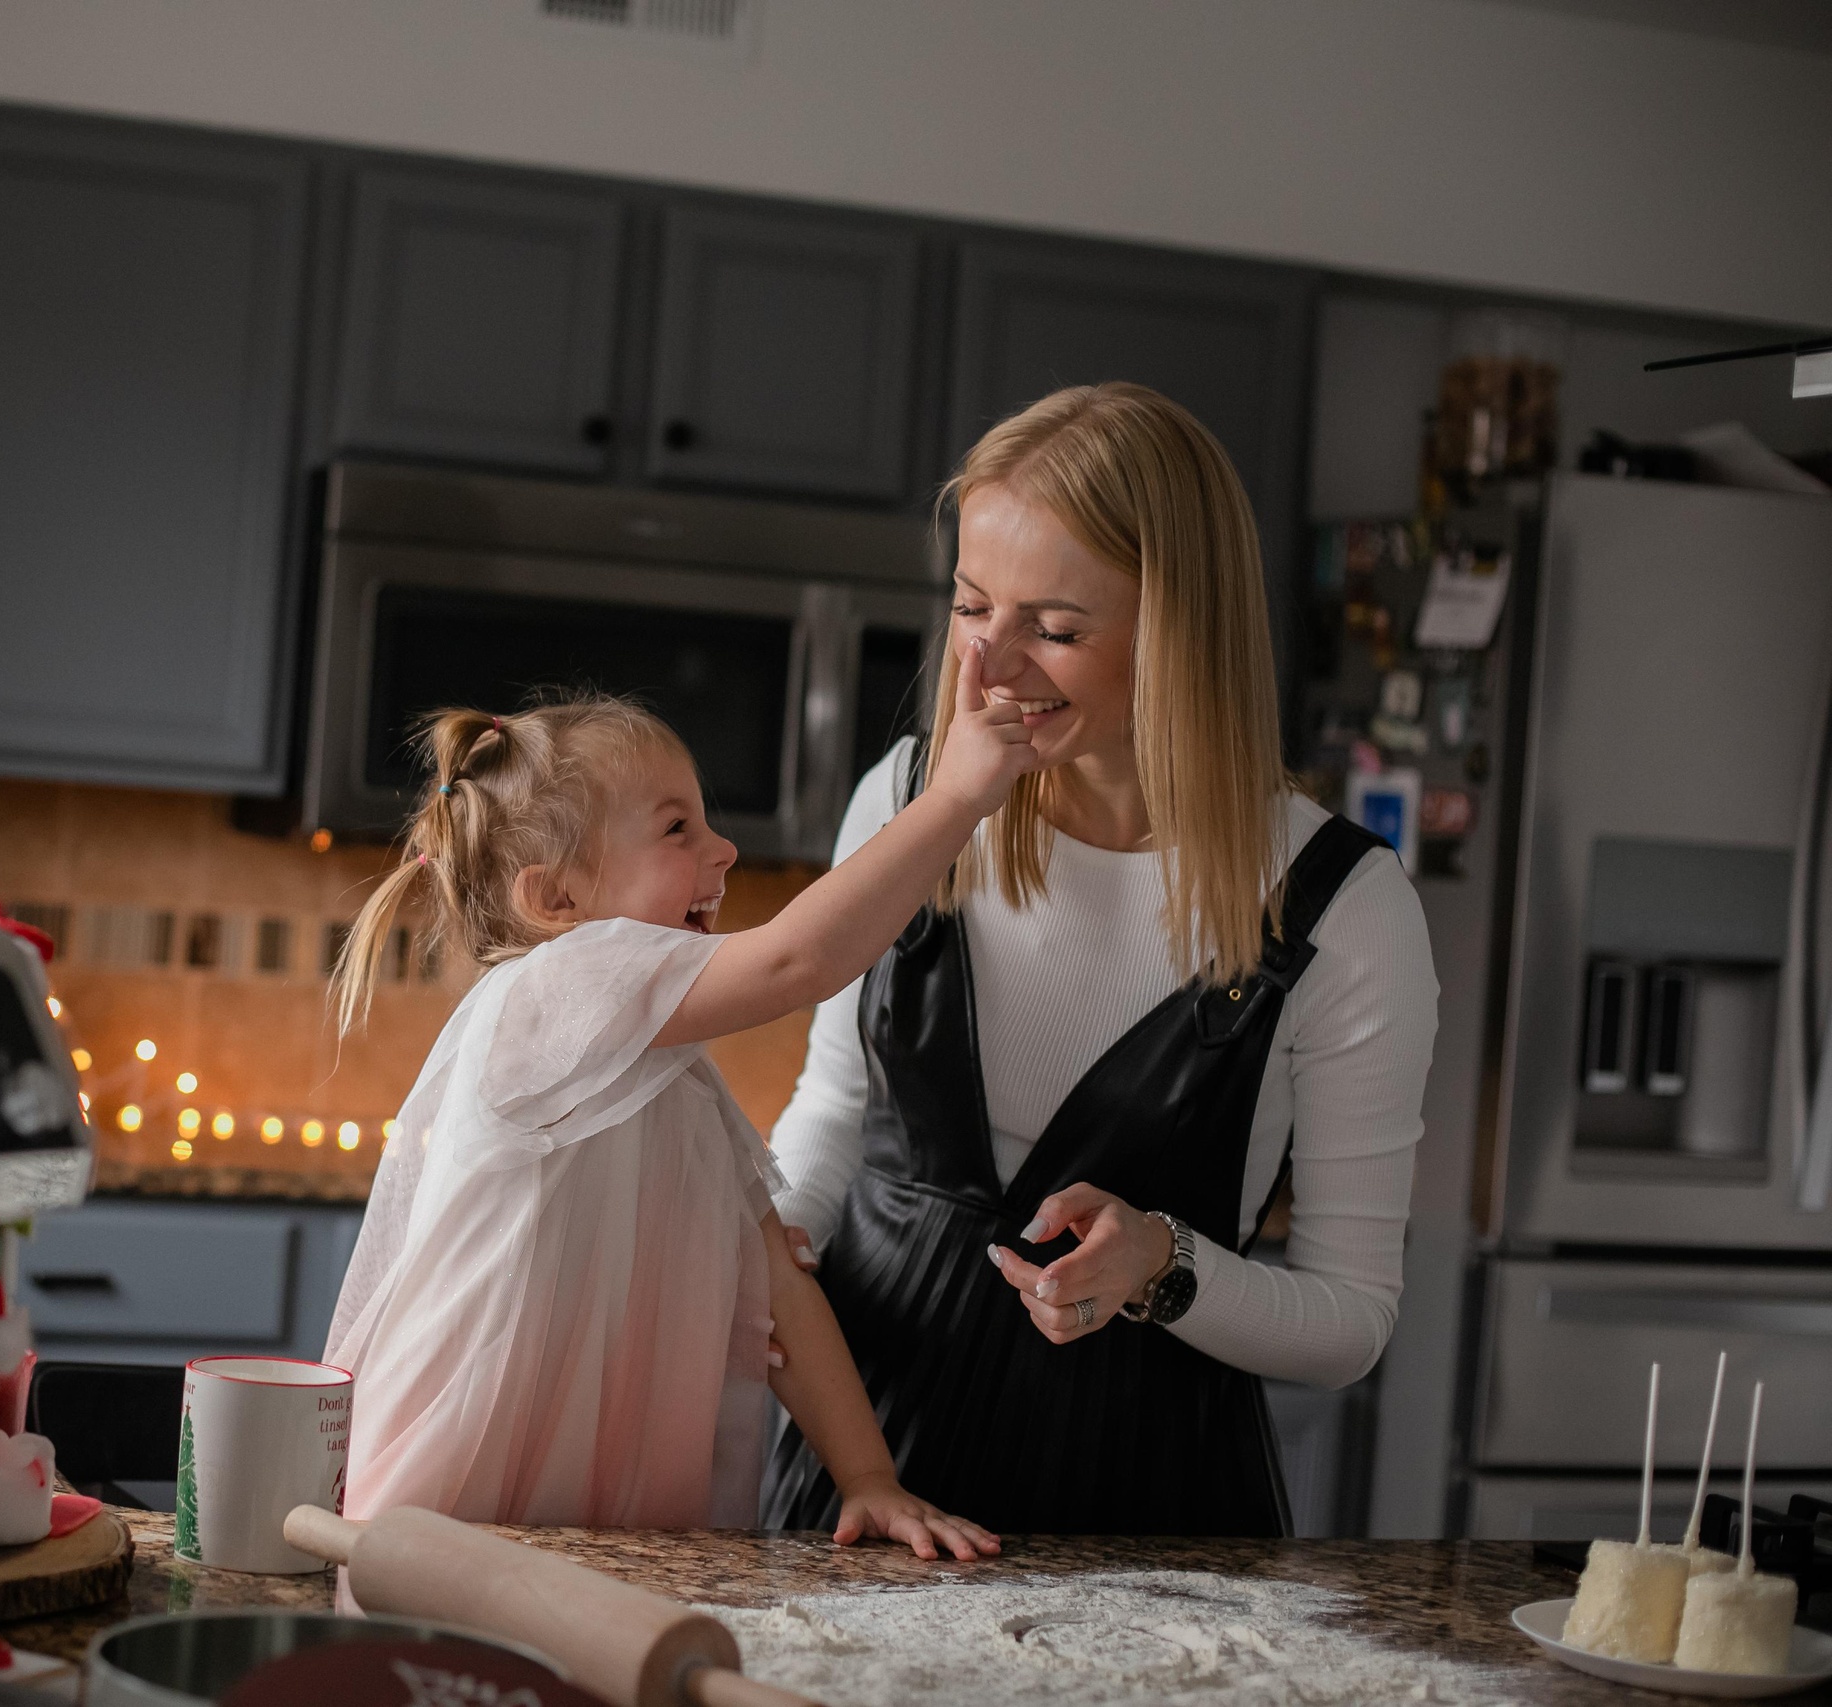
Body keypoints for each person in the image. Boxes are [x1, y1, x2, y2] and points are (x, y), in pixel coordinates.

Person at [764, 383, 1439, 1537]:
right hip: (867, 1474)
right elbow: (836, 1111)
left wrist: (1165, 1270)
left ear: (1183, 634)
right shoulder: (908, 799)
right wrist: (775, 1230)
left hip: (1147, 1507)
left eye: (1056, 629)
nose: (989, 668)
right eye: (973, 606)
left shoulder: (1345, 910)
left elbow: (1349, 1323)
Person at [323, 671, 1026, 1558]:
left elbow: (785, 1296)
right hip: (455, 1509)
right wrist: (959, 796)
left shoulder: (680, 1083)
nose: (723, 850)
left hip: (608, 1533)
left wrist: (870, 1477)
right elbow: (794, 963)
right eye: (676, 828)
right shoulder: (548, 989)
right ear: (555, 901)